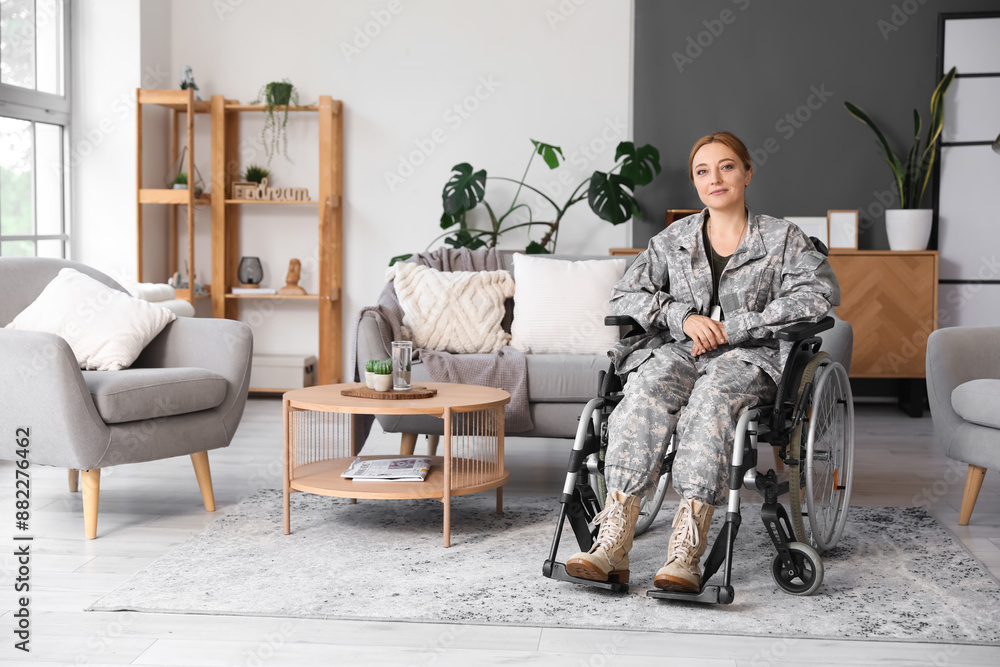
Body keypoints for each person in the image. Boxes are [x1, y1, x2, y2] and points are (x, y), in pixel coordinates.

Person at [565, 131, 840, 592]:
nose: (716, 178)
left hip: (750, 357)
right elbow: (625, 293)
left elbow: (818, 295)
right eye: (703, 171)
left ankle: (686, 553)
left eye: (727, 166)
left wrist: (740, 325)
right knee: (645, 389)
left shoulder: (781, 238)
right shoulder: (674, 239)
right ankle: (612, 542)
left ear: (748, 172)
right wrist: (682, 316)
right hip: (681, 350)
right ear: (695, 182)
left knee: (712, 401)